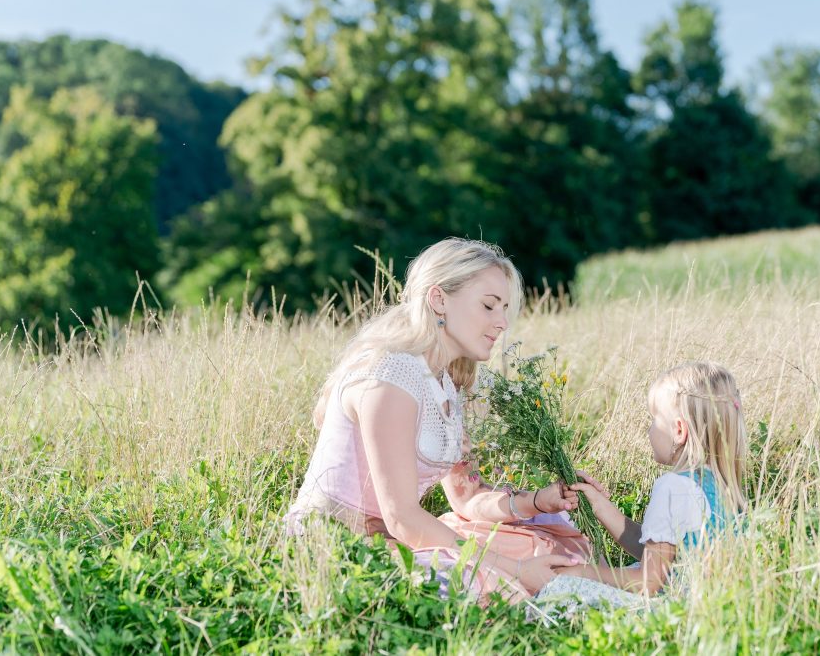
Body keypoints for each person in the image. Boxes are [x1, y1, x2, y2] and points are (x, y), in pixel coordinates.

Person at [285, 238, 598, 600]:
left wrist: (537, 502)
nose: (501, 323)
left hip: (393, 541)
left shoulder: (445, 383)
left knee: (541, 539)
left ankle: (638, 583)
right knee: (495, 581)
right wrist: (512, 569)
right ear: (438, 300)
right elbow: (402, 517)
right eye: (489, 306)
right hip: (339, 547)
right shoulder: (391, 377)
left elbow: (466, 500)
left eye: (505, 310)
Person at [534, 361, 748, 610]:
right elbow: (655, 554)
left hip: (673, 611)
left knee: (562, 588)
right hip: (706, 606)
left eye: (653, 420)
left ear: (679, 430)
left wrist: (582, 572)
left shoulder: (671, 487)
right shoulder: (719, 483)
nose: (649, 430)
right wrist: (600, 506)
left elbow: (648, 583)